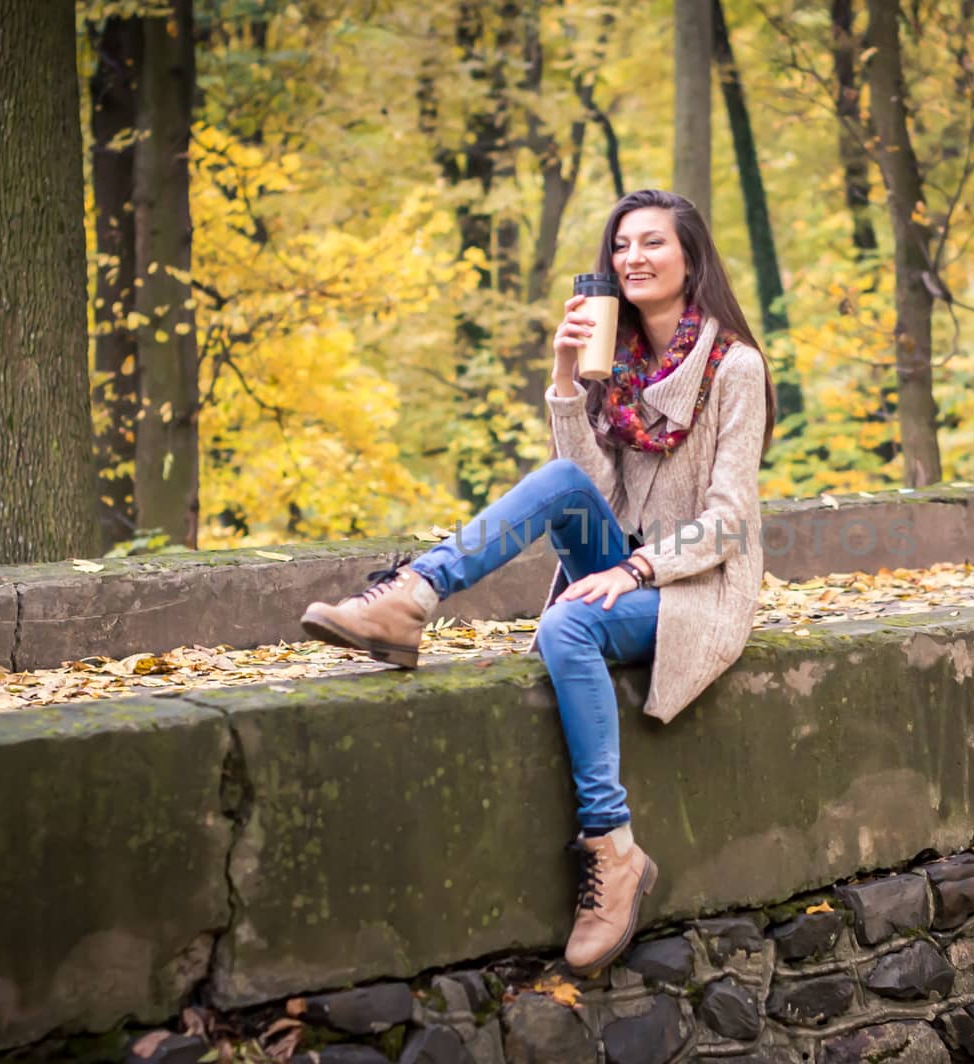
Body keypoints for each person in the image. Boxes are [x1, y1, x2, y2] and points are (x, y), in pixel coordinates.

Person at [299, 189, 776, 975]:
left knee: (565, 626)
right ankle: (413, 597)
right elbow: (588, 490)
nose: (633, 259)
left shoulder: (736, 367)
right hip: (622, 560)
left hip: (694, 587)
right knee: (557, 477)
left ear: (691, 259)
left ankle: (610, 848)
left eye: (653, 244)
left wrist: (636, 569)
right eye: (621, 246)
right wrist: (565, 380)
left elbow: (730, 520)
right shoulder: (616, 364)